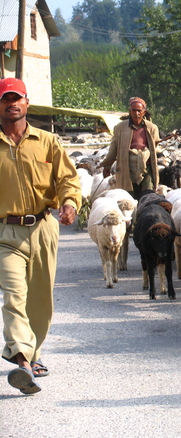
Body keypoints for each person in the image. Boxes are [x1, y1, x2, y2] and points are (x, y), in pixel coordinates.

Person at [0, 77, 81, 394]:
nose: (12, 104)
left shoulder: (47, 142)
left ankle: (33, 355)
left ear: (26, 103)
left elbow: (68, 181)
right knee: (13, 296)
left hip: (44, 226)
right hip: (5, 232)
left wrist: (71, 203)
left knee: (40, 302)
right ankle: (22, 362)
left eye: (17, 98)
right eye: (6, 99)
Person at [99, 97, 160, 200]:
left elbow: (155, 145)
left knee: (148, 195)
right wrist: (107, 165)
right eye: (134, 110)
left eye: (139, 110)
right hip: (127, 169)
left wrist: (143, 155)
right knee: (128, 198)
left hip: (146, 168)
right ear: (130, 111)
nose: (136, 113)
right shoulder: (120, 128)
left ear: (144, 112)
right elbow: (113, 148)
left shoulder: (152, 128)